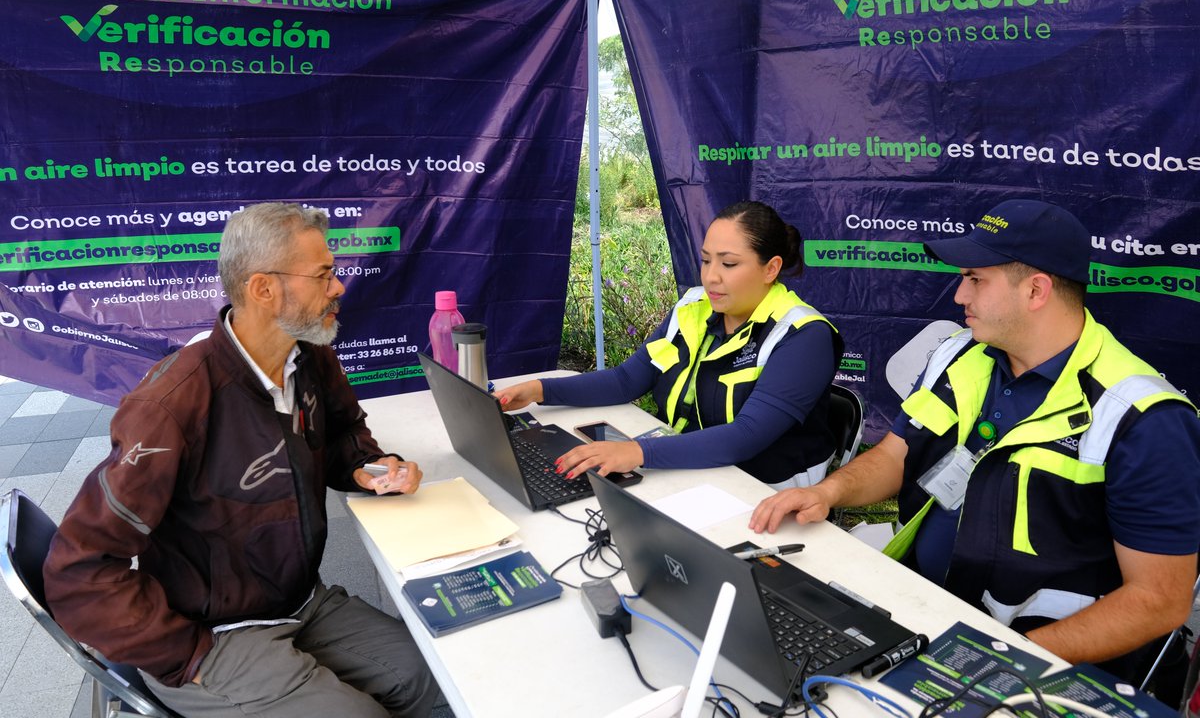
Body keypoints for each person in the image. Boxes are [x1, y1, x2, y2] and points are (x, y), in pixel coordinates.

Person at [750, 198, 1200, 674]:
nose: (960, 296)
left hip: (1042, 661)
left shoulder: (1145, 419)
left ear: (1036, 290)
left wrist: (1005, 658)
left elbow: (1159, 600)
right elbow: (898, 453)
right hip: (924, 611)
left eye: (975, 279)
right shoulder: (960, 354)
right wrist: (827, 490)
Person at [43, 203, 440, 717]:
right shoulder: (171, 406)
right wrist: (185, 654)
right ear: (262, 289)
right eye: (324, 275)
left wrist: (370, 465)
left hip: (300, 602)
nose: (338, 287)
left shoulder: (309, 356)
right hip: (209, 634)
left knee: (440, 678)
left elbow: (343, 432)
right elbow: (79, 572)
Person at [497, 200, 843, 488]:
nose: (711, 276)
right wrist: (539, 390)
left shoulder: (803, 335)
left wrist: (637, 452)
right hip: (688, 467)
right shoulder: (693, 306)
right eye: (706, 260)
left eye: (729, 263)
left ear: (771, 269)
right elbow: (627, 380)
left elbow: (746, 436)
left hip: (761, 490)